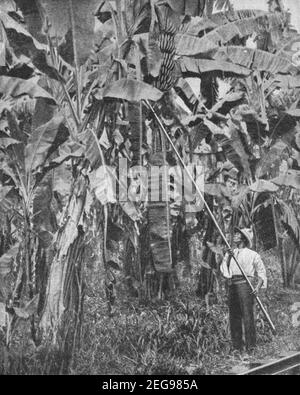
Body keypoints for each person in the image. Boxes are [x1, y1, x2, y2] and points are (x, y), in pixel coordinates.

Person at [219, 228, 267, 353]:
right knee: (234, 316)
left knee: (247, 315)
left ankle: (251, 347)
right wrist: (229, 256)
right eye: (234, 233)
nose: (235, 236)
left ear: (243, 238)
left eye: (237, 234)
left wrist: (257, 287)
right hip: (233, 285)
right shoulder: (231, 252)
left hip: (246, 285)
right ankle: (237, 347)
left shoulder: (252, 254)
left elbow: (261, 272)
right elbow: (224, 268)